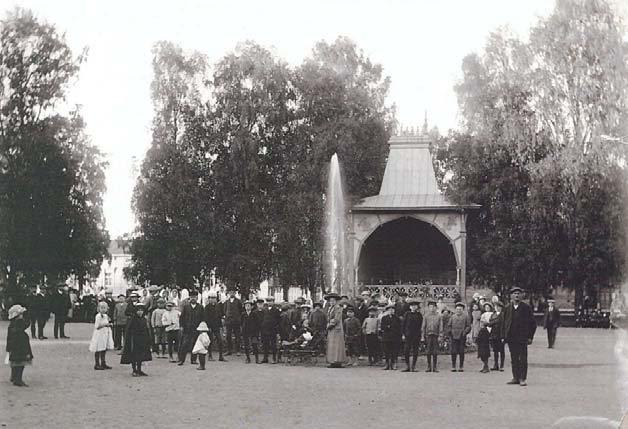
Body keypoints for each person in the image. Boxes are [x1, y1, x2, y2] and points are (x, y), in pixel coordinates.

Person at [500, 286, 537, 387]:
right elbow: (504, 323)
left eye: (518, 294)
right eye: (514, 294)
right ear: (511, 296)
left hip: (522, 338)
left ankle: (522, 378)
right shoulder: (507, 308)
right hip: (511, 338)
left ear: (521, 296)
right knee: (514, 358)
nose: (516, 295)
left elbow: (533, 324)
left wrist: (530, 337)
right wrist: (503, 336)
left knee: (523, 359)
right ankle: (515, 377)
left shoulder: (526, 308)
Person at [121, 303, 152, 376]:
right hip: (134, 341)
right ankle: (134, 370)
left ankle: (139, 369)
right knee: (134, 356)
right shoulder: (133, 319)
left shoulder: (144, 319)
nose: (140, 312)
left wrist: (148, 339)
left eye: (141, 310)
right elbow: (129, 331)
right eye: (138, 310)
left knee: (141, 356)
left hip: (142, 340)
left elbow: (146, 330)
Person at [6, 305, 33, 387]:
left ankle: (14, 377)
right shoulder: (19, 323)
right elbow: (26, 325)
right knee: (20, 363)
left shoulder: (12, 324)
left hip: (14, 346)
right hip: (20, 346)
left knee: (14, 362)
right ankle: (18, 379)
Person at [178, 290, 205, 365]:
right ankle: (181, 360)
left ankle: (193, 360)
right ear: (189, 298)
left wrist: (202, 328)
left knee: (195, 345)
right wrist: (181, 326)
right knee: (184, 345)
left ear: (197, 298)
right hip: (187, 329)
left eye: (195, 297)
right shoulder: (186, 307)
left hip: (197, 329)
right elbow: (182, 318)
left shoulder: (200, 307)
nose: (193, 299)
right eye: (192, 297)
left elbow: (203, 318)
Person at [89, 301, 114, 370]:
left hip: (105, 334)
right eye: (102, 308)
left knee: (104, 348)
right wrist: (105, 325)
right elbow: (97, 326)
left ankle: (103, 363)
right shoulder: (98, 316)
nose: (103, 309)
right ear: (99, 308)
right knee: (98, 348)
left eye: (105, 308)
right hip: (99, 334)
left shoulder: (106, 316)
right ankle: (97, 364)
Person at [325, 293, 346, 368]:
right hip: (332, 329)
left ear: (336, 301)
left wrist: (330, 324)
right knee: (332, 345)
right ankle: (332, 361)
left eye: (333, 301)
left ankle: (337, 361)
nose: (332, 302)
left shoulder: (338, 308)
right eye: (330, 301)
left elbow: (336, 319)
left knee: (337, 345)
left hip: (336, 328)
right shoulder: (330, 308)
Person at [449, 302, 471, 372]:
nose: (458, 310)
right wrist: (450, 332)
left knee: (461, 351)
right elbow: (449, 325)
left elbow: (468, 326)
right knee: (453, 351)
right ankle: (453, 366)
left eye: (460, 309)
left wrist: (464, 332)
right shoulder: (452, 317)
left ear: (463, 310)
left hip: (462, 336)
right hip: (454, 336)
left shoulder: (465, 317)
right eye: (457, 309)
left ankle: (461, 366)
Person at [422, 300, 443, 373]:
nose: (432, 308)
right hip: (428, 335)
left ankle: (434, 366)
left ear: (436, 308)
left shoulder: (439, 316)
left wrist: (440, 335)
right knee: (428, 351)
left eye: (433, 307)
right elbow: (423, 326)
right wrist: (422, 336)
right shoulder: (426, 316)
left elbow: (440, 326)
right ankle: (428, 366)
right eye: (430, 307)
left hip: (435, 335)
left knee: (435, 351)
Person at [402, 298, 423, 372]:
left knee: (415, 350)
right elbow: (403, 324)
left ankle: (413, 366)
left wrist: (420, 335)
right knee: (406, 350)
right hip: (408, 334)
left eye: (415, 306)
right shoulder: (407, 314)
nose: (413, 307)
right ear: (410, 307)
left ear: (417, 307)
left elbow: (421, 325)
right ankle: (407, 366)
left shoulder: (419, 315)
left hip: (416, 335)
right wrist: (403, 334)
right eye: (412, 306)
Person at [204, 292, 225, 362]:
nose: (213, 300)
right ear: (209, 299)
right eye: (211, 298)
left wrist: (221, 326)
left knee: (220, 341)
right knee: (210, 341)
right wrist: (208, 327)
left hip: (217, 326)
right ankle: (210, 355)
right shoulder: (207, 307)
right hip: (210, 327)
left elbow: (219, 316)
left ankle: (221, 356)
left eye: (214, 298)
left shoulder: (218, 307)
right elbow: (206, 318)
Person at [260, 297, 280, 364]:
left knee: (273, 345)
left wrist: (277, 330)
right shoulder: (264, 310)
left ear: (273, 302)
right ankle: (265, 358)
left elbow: (278, 321)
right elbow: (262, 319)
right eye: (268, 301)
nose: (269, 302)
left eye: (271, 301)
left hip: (272, 330)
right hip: (264, 330)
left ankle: (274, 358)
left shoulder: (276, 310)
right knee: (265, 345)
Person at [223, 288, 242, 356]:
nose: (232, 293)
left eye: (233, 292)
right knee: (228, 336)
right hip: (228, 321)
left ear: (235, 293)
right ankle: (229, 350)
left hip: (236, 321)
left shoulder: (238, 301)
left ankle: (238, 350)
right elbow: (225, 311)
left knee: (237, 336)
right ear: (229, 293)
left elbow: (240, 310)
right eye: (230, 292)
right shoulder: (226, 302)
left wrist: (238, 318)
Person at [489, 301, 505, 371]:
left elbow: (503, 325)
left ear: (501, 308)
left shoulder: (503, 315)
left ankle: (502, 365)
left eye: (499, 307)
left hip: (500, 334)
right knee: (495, 350)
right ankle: (496, 365)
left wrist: (503, 336)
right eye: (496, 307)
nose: (497, 308)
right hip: (494, 334)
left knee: (501, 350)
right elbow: (490, 322)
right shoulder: (493, 314)